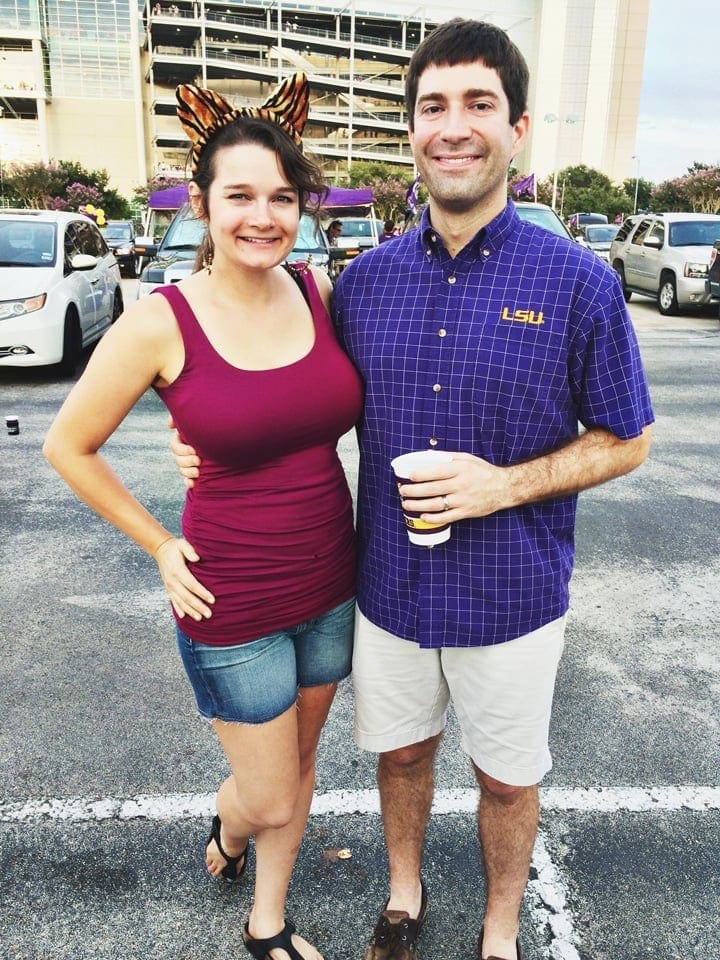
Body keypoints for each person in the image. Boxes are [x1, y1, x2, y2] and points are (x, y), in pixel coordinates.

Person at [171, 20, 654, 960]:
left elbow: (627, 440)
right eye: (434, 106)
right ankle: (402, 896)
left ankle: (503, 926)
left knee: (509, 781)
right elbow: (284, 393)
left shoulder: (579, 283)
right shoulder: (362, 284)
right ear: (412, 131)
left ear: (518, 130)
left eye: (479, 104)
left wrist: (500, 487)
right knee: (400, 756)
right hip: (386, 589)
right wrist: (206, 452)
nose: (454, 126)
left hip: (513, 595)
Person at [43, 73, 363, 960]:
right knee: (263, 794)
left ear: (300, 207)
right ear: (203, 202)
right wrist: (157, 542)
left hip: (332, 582)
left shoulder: (317, 292)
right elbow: (68, 445)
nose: (262, 216)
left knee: (299, 769)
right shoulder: (159, 320)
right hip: (230, 601)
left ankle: (268, 921)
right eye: (240, 197)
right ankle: (229, 832)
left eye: (281, 198)